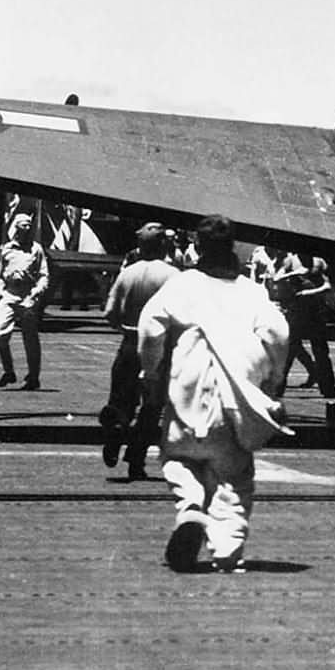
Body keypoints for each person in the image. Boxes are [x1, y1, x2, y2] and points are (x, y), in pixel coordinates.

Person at [137, 215, 291, 572]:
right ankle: (226, 549)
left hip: (188, 388)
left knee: (178, 458)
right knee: (234, 478)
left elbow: (150, 328)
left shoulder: (183, 284)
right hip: (235, 396)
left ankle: (191, 507)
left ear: (198, 247)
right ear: (233, 248)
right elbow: (279, 333)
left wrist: (150, 370)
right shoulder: (251, 291)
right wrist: (274, 378)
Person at [99, 223, 178, 478]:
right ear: (163, 245)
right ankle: (136, 459)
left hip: (130, 342)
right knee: (152, 406)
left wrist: (124, 328)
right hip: (159, 347)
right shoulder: (172, 275)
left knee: (121, 398)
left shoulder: (127, 274)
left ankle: (117, 427)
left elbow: (109, 313)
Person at [267, 246, 335, 398]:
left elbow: (328, 286)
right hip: (297, 311)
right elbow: (276, 278)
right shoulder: (290, 261)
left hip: (315, 312)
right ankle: (278, 388)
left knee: (321, 352)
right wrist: (295, 273)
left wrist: (309, 292)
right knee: (290, 351)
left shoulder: (319, 262)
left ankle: (328, 389)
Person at [0, 213, 50, 389]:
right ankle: (9, 372)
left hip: (27, 295)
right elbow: (0, 276)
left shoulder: (36, 250)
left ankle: (33, 377)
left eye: (29, 225)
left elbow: (44, 275)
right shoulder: (7, 249)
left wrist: (36, 293)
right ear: (16, 227)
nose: (28, 228)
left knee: (30, 338)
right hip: (9, 294)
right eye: (24, 225)